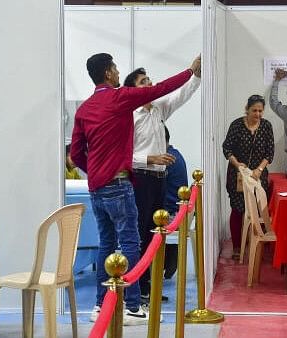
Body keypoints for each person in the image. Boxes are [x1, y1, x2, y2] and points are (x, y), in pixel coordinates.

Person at [71, 52, 200, 325]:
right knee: (131, 242)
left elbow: (77, 155)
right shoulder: (121, 98)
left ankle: (100, 304)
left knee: (106, 244)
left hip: (97, 188)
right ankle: (131, 306)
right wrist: (189, 70)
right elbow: (162, 88)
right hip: (120, 184)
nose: (118, 72)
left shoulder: (84, 109)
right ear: (108, 73)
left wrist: (94, 170)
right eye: (115, 68)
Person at [123, 61, 200, 303]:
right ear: (133, 90)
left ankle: (148, 287)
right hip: (141, 179)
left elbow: (182, 95)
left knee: (154, 235)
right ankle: (136, 290)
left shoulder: (158, 109)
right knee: (140, 235)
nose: (150, 85)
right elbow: (124, 156)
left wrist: (196, 74)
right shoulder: (129, 116)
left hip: (159, 179)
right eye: (143, 82)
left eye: (149, 80)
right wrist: (151, 158)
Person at [222, 95, 274, 260]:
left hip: (258, 174)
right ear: (247, 109)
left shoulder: (266, 126)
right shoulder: (237, 125)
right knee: (238, 210)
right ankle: (237, 246)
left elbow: (270, 153)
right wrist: (238, 165)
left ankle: (257, 245)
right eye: (254, 110)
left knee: (258, 210)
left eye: (260, 111)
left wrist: (259, 169)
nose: (257, 114)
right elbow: (227, 149)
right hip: (237, 174)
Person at [162, 125, 188, 280]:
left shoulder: (166, 160)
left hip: (171, 214)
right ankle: (170, 258)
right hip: (177, 211)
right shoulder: (176, 154)